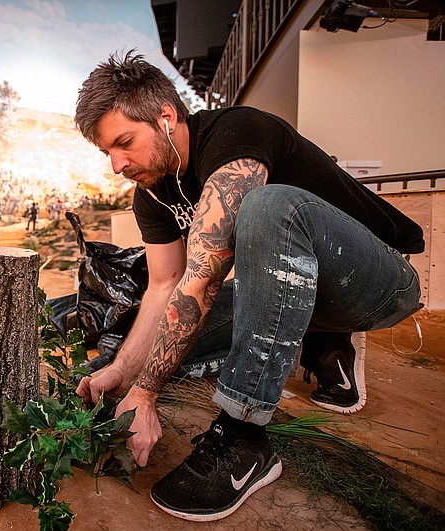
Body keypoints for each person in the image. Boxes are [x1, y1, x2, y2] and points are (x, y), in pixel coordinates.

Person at [73, 51, 423, 522]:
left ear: (166, 116)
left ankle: (244, 438)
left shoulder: (237, 132)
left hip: (378, 282)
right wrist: (123, 374)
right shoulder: (152, 191)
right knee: (164, 348)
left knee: (267, 207)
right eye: (106, 152)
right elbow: (165, 286)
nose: (116, 164)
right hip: (292, 285)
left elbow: (202, 279)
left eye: (125, 142)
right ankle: (318, 334)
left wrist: (147, 393)